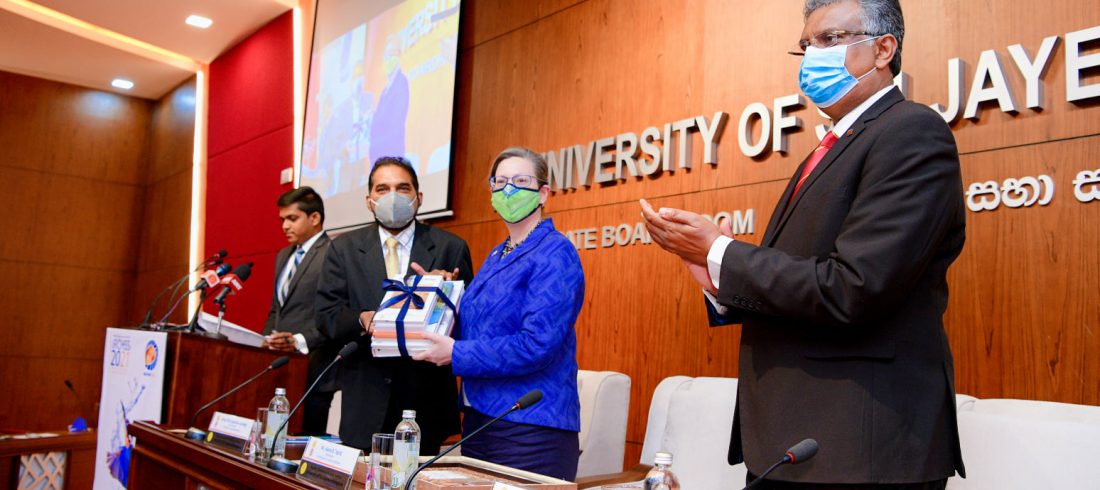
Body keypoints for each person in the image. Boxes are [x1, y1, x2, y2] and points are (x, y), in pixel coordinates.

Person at [640, 0, 966, 488]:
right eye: (807, 45)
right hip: (799, 441)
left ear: (883, 49)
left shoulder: (911, 131)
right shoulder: (832, 146)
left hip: (858, 449)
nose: (814, 55)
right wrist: (717, 274)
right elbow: (806, 279)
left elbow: (854, 288)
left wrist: (724, 253)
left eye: (830, 39)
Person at [414, 147, 585, 481]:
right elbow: (477, 328)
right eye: (501, 182)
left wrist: (456, 353)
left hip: (530, 427)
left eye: (521, 181)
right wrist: (436, 294)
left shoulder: (556, 252)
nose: (509, 190)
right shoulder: (498, 254)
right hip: (481, 420)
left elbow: (537, 344)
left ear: (543, 193)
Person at [316, 156, 473, 453]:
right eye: (382, 189)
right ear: (369, 201)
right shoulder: (343, 248)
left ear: (419, 197)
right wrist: (361, 318)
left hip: (426, 402)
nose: (392, 196)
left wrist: (445, 294)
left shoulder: (450, 247)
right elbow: (326, 316)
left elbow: (468, 324)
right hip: (365, 399)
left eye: (402, 188)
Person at [261, 186, 335, 436]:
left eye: (292, 218)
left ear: (314, 218)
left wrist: (299, 341)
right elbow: (276, 309)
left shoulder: (333, 252)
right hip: (280, 366)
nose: (285, 226)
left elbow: (334, 313)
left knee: (302, 443)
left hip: (313, 366)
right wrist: (266, 341)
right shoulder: (284, 255)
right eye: (282, 219)